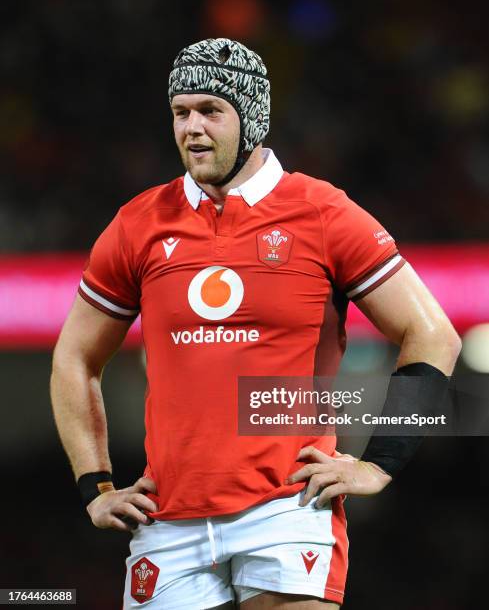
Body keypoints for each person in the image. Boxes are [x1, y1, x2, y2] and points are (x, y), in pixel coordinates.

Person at [50, 38, 461, 609]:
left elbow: (434, 334)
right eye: (180, 112)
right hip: (167, 521)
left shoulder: (322, 212)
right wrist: (93, 487)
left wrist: (380, 461)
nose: (192, 128)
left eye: (211, 111)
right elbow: (74, 357)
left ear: (253, 117)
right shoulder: (137, 223)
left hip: (287, 512)